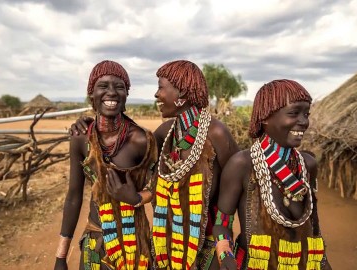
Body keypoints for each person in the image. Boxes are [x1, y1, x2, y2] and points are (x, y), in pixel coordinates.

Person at [71, 60, 240, 269]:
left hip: (207, 245)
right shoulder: (165, 132)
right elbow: (151, 174)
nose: (156, 94)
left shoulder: (217, 133)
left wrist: (228, 243)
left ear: (182, 95)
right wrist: (93, 122)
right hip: (169, 244)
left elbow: (240, 185)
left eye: (161, 87)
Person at [213, 79, 332, 270]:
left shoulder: (308, 164)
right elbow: (221, 223)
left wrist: (323, 260)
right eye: (294, 113)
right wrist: (225, 253)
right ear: (265, 117)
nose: (304, 122)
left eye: (306, 114)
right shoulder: (242, 164)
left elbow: (313, 225)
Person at [54, 60, 157, 270]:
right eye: (103, 86)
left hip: (135, 245)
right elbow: (73, 197)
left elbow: (160, 189)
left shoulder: (142, 140)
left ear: (126, 94)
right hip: (96, 243)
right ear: (92, 93)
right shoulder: (81, 138)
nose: (111, 92)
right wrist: (61, 256)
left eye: (119, 87)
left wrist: (137, 199)